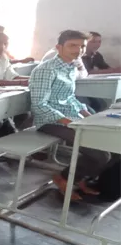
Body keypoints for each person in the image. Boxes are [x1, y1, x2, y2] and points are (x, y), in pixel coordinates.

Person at [29, 30, 111, 200]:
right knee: (100, 154)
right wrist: (69, 122)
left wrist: (87, 114)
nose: (78, 50)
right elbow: (39, 106)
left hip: (72, 118)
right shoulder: (46, 70)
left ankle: (81, 179)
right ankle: (63, 178)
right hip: (51, 121)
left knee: (112, 144)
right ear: (59, 47)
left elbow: (69, 98)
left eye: (81, 46)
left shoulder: (70, 67)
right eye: (72, 45)